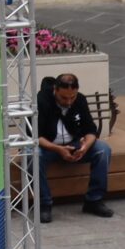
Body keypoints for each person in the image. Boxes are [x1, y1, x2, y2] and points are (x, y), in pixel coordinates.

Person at [35, 73, 110, 224]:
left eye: (72, 97)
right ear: (55, 90)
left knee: (103, 150)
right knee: (33, 155)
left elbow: (90, 130)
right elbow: (35, 136)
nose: (69, 102)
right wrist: (57, 149)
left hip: (73, 144)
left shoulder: (80, 100)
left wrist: (84, 147)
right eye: (64, 98)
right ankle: (44, 204)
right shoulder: (41, 101)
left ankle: (94, 200)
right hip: (48, 146)